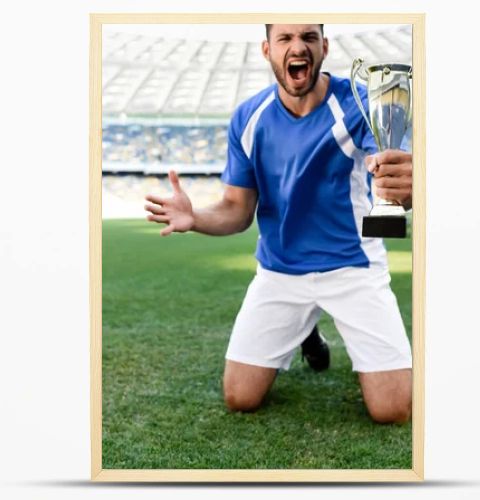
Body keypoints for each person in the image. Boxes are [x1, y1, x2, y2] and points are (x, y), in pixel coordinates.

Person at [145, 24, 413, 424]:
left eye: (307, 37)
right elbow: (237, 210)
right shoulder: (248, 117)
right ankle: (304, 330)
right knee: (240, 398)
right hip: (280, 271)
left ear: (323, 47)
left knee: (392, 410)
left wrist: (406, 186)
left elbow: (395, 179)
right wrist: (195, 217)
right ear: (267, 49)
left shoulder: (358, 102)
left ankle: (321, 327)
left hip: (352, 267)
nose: (297, 46)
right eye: (285, 39)